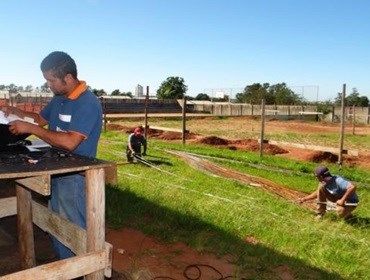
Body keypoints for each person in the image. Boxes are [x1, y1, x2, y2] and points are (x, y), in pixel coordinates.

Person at [0, 51, 102, 259]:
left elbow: (71, 142)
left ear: (68, 78)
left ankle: (79, 267)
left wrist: (32, 129)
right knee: (55, 223)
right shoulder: (60, 98)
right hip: (57, 168)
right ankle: (66, 267)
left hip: (76, 173)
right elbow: (39, 119)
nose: (48, 85)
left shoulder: (87, 102)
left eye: (51, 80)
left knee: (72, 228)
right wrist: (14, 111)